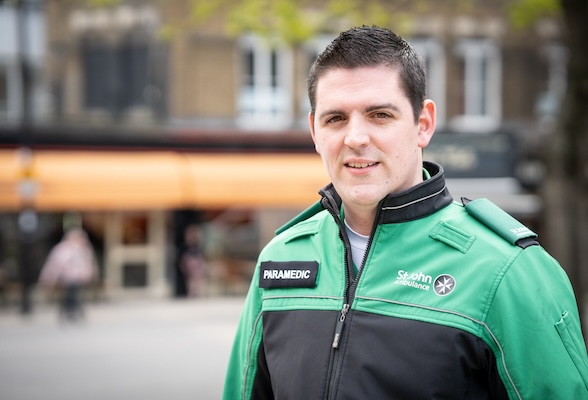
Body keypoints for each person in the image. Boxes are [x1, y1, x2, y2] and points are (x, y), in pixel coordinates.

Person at [222, 26, 588, 399]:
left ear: (423, 125)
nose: (356, 138)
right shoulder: (281, 258)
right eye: (335, 119)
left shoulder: (507, 271)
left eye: (380, 114)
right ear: (314, 132)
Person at [38, 228, 98, 321]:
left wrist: (89, 275)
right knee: (71, 294)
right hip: (67, 278)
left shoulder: (84, 249)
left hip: (79, 278)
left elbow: (89, 264)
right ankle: (72, 310)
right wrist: (50, 279)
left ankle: (73, 310)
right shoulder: (64, 249)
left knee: (73, 295)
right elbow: (55, 265)